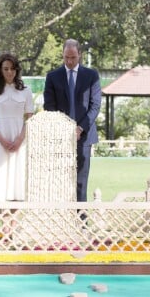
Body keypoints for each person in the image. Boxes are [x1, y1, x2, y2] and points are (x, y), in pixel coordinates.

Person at [43, 38, 101, 203]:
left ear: (79, 55)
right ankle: (62, 220)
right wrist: (65, 130)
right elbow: (50, 106)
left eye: (73, 58)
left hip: (84, 137)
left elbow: (95, 106)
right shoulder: (53, 77)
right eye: (66, 57)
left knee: (81, 182)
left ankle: (81, 221)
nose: (69, 61)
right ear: (63, 55)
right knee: (60, 180)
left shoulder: (91, 76)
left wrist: (79, 129)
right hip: (60, 137)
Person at [0, 53, 34, 201]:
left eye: (12, 69)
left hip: (20, 140)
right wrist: (1, 139)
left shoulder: (26, 90)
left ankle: (12, 224)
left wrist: (20, 139)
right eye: (6, 69)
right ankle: (5, 223)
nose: (9, 72)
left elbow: (30, 118)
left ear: (17, 70)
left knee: (18, 181)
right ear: (0, 70)